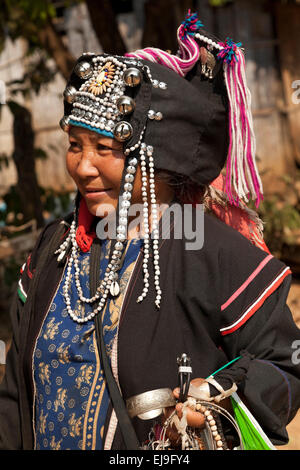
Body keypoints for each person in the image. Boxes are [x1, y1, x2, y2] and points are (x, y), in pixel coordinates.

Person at [0, 11, 300, 451]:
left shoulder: (212, 252)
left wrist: (217, 407)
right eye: (74, 145)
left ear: (159, 162)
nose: (83, 167)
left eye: (105, 148)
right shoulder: (52, 252)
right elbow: (13, 395)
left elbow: (287, 362)